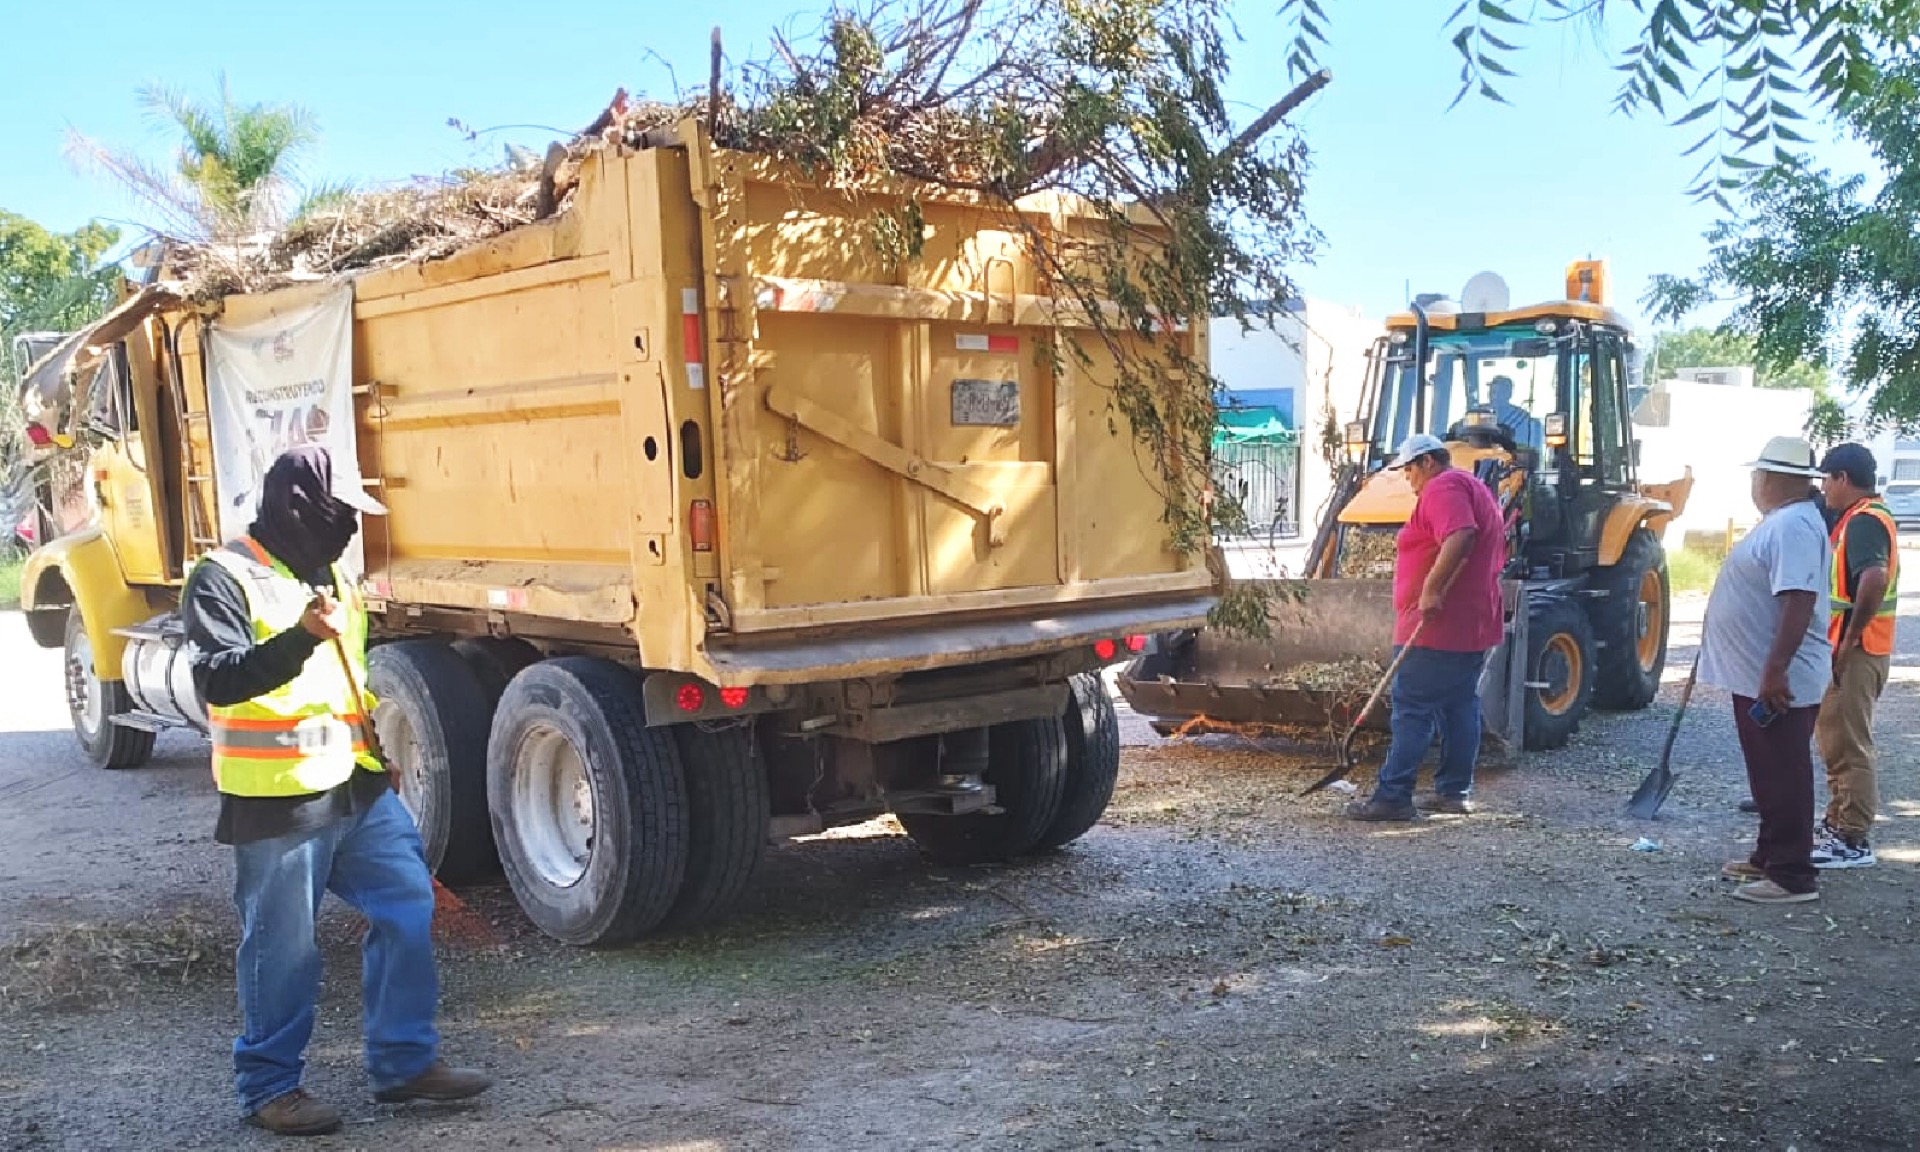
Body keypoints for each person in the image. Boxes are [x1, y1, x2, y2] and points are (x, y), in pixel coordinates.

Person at [183, 446, 491, 1136]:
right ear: (304, 505)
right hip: (278, 798)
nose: (351, 524)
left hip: (357, 788)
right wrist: (298, 638)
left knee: (409, 904)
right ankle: (270, 1087)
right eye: (342, 509)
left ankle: (404, 1063)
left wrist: (376, 756)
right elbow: (216, 680)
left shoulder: (334, 576)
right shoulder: (222, 577)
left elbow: (347, 679)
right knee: (283, 948)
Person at [1346, 432, 1508, 821]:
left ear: (1428, 462)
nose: (1408, 480)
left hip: (1437, 626)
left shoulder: (1443, 487)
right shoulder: (1474, 486)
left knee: (1413, 708)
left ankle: (1393, 796)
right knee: (1458, 704)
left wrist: (1432, 590)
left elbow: (1461, 534)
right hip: (1472, 622)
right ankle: (1454, 791)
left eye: (1409, 471)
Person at [1701, 436, 1832, 905]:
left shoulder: (1794, 525)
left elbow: (1799, 599)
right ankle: (1769, 855)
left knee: (1782, 771)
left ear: (1776, 479)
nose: (1754, 483)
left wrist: (1775, 670)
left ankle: (1792, 874)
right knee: (1767, 771)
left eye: (1758, 475)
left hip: (1778, 680)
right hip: (1760, 674)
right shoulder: (1785, 522)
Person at [1811, 443, 1898, 869]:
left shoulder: (1863, 521)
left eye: (1826, 478)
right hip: (1856, 648)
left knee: (1849, 744)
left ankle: (1852, 838)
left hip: (1858, 651)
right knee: (1835, 739)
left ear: (1843, 478)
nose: (1823, 487)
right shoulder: (1858, 517)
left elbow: (1874, 577)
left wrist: (1849, 640)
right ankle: (1837, 821)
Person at [1488, 375, 1543, 454]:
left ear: (1509, 394)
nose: (1493, 396)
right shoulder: (1481, 418)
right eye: (1491, 392)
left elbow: (1526, 448)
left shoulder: (1523, 419)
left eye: (1498, 392)